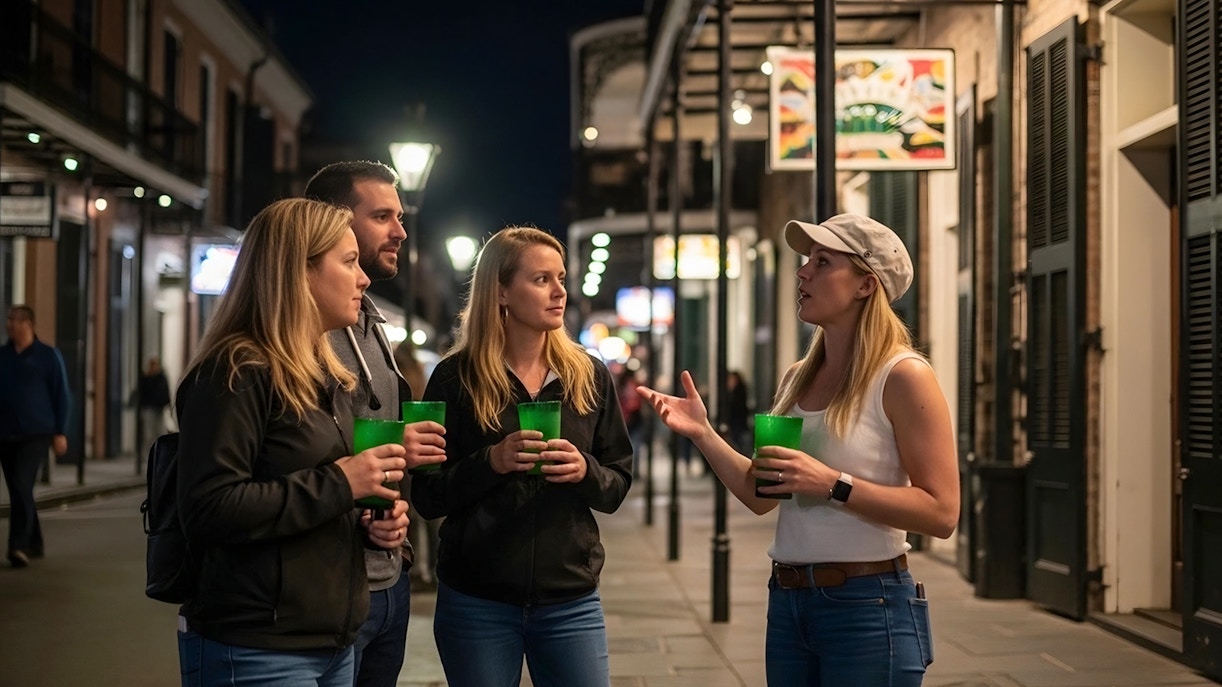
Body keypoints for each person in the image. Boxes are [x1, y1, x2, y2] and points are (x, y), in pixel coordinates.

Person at [636, 214, 959, 686]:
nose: (802, 272)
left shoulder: (904, 376)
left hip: (867, 605)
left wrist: (832, 484)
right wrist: (703, 433)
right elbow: (761, 495)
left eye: (822, 262)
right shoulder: (797, 376)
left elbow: (943, 512)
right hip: (788, 601)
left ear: (865, 285)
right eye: (807, 260)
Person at [174, 198, 411, 685]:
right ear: (299, 272)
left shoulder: (321, 374)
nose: (363, 279)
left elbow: (307, 495)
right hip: (258, 646)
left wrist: (368, 524)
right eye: (348, 262)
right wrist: (341, 483)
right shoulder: (236, 371)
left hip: (330, 640)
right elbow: (209, 507)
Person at [411, 226, 634, 687]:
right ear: (501, 292)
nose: (559, 292)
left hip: (570, 600)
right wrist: (490, 462)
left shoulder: (588, 375)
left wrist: (584, 470)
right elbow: (427, 496)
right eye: (541, 279)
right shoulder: (455, 378)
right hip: (477, 601)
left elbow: (617, 483)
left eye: (561, 278)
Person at [305, 160, 446, 687]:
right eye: (382, 216)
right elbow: (296, 457)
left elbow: (374, 451)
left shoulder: (372, 325)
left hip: (388, 580)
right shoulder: (301, 335)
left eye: (401, 217)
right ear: (334, 221)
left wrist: (396, 529)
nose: (401, 232)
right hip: (328, 587)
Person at [0, 305, 70, 568]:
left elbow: (61, 394)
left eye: (15, 320)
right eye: (8, 320)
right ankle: (35, 541)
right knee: (20, 490)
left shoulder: (47, 356)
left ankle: (17, 546)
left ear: (28, 324)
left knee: (21, 484)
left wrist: (60, 431)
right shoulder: (3, 356)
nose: (9, 324)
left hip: (36, 433)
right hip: (5, 433)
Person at [393, 337, 442, 591]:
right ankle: (431, 568)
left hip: (405, 450)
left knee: (412, 515)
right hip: (423, 446)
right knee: (428, 518)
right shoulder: (420, 373)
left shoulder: (399, 373)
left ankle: (416, 567)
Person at [135, 356, 172, 453]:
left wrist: (167, 404)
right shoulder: (146, 379)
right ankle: (150, 452)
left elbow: (165, 392)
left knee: (159, 431)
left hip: (159, 408)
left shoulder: (161, 378)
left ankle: (159, 452)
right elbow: (142, 394)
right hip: (149, 408)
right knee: (149, 433)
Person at [722, 370, 751, 454]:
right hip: (735, 424)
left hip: (737, 424)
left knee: (737, 445)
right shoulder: (730, 394)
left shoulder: (738, 394)